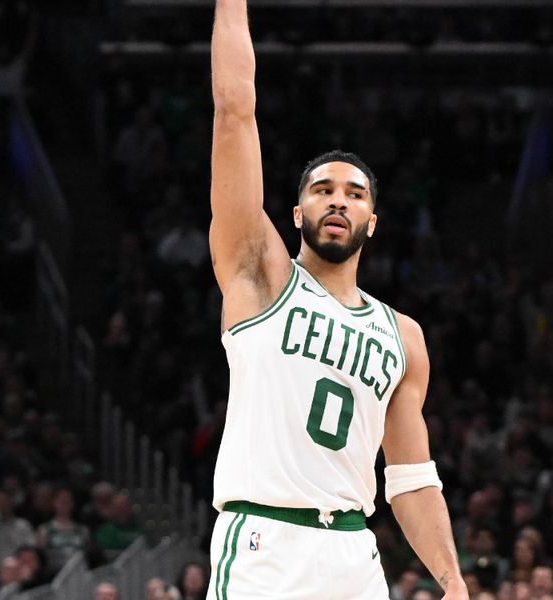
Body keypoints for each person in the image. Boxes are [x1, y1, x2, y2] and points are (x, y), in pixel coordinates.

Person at [206, 3, 466, 598]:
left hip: (354, 550)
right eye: (322, 190)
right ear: (297, 214)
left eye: (355, 193)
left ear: (372, 221)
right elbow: (233, 112)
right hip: (264, 544)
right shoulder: (260, 276)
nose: (338, 201)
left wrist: (452, 579)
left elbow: (410, 477)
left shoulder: (404, 337)